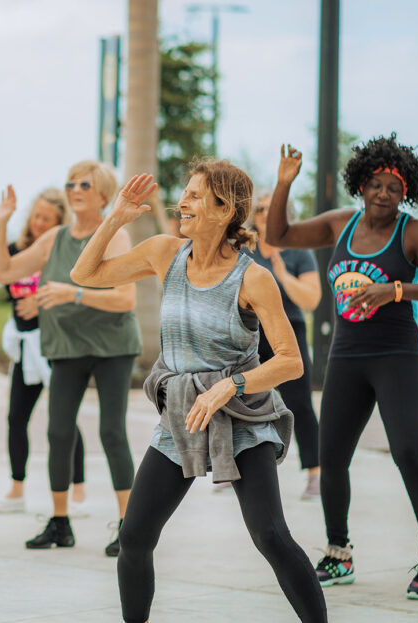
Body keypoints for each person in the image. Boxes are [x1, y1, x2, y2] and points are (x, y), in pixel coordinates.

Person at [72, 162, 327, 623]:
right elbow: (85, 274)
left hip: (243, 416)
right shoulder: (164, 253)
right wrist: (115, 217)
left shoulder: (253, 279)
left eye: (194, 195)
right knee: (134, 536)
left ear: (224, 209)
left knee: (269, 535)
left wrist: (230, 384)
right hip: (183, 413)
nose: (182, 202)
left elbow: (290, 361)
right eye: (185, 193)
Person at [266, 137, 418, 600]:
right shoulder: (341, 224)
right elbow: (279, 235)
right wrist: (282, 185)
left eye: (393, 188)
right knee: (332, 457)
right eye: (375, 184)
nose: (382, 194)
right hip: (347, 356)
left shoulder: (413, 233)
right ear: (361, 183)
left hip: (396, 354)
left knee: (408, 452)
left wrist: (396, 290)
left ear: (406, 193)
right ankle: (338, 552)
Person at [0, 161, 140, 556]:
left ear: (103, 195)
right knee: (58, 431)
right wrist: (1, 223)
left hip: (112, 346)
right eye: (71, 183)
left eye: (85, 185)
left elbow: (126, 299)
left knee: (112, 431)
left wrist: (73, 293)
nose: (75, 189)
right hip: (68, 346)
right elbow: (2, 269)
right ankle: (60, 524)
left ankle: (129, 528)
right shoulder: (55, 238)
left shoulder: (115, 236)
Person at [0, 188, 89, 514]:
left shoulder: (62, 253)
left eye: (47, 219)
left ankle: (77, 491)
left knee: (64, 421)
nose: (39, 223)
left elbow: (81, 292)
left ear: (60, 222)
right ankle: (16, 490)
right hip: (25, 350)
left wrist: (41, 301)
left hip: (55, 347)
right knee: (16, 418)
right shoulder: (18, 252)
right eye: (36, 216)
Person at [215, 194, 322, 498]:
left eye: (271, 209)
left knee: (299, 404)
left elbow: (311, 300)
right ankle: (230, 468)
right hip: (249, 331)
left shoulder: (299, 252)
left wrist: (284, 274)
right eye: (260, 209)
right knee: (239, 397)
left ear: (285, 213)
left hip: (288, 330)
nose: (264, 214)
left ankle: (315, 474)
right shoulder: (244, 248)